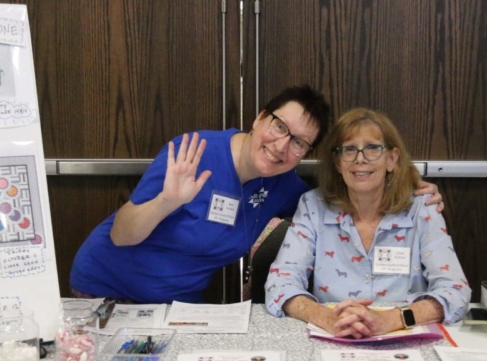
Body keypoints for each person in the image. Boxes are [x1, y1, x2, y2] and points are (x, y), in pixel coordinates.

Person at [70, 86, 442, 304]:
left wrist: (408, 189)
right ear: (260, 117)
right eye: (279, 127)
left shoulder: (283, 185)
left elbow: (345, 196)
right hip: (107, 293)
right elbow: (121, 235)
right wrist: (166, 201)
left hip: (179, 308)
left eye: (298, 143)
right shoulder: (194, 152)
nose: (281, 146)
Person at [264, 108, 470, 338]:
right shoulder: (313, 206)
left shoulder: (422, 208)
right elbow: (280, 283)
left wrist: (391, 320)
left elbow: (456, 291)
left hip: (403, 335)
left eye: (372, 148)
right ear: (338, 162)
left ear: (391, 159)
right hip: (334, 336)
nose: (360, 159)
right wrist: (325, 318)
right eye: (349, 149)